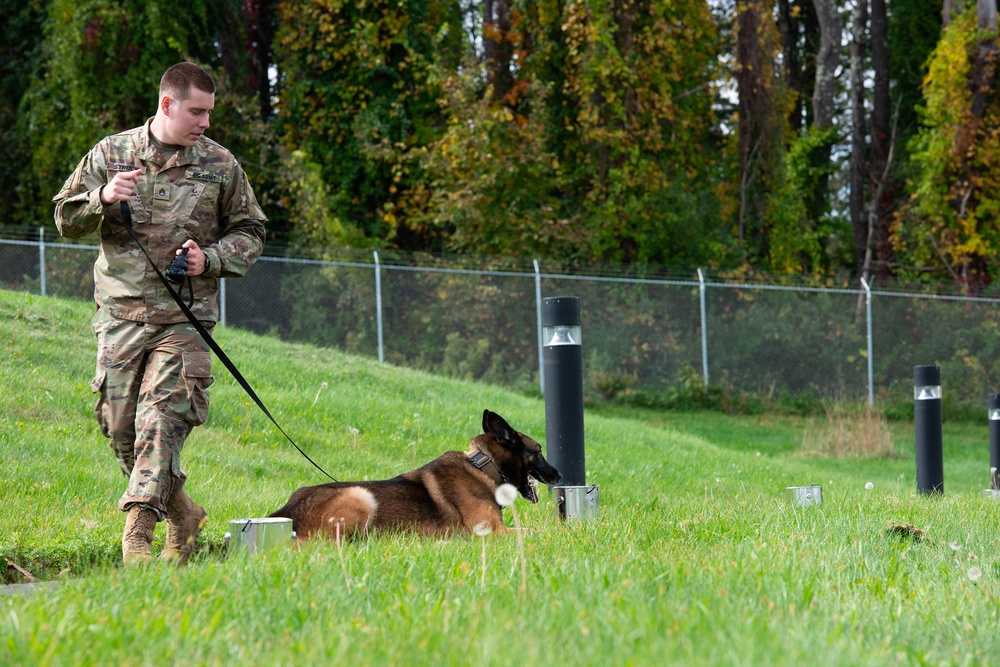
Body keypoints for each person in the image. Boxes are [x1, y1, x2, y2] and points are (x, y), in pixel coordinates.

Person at [53, 62, 267, 566]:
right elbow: (64, 216)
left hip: (184, 320)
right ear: (167, 105)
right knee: (120, 428)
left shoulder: (220, 164)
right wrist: (101, 198)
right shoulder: (111, 153)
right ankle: (184, 512)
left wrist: (209, 259)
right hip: (120, 317)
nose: (206, 122)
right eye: (197, 111)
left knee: (160, 419)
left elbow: (251, 230)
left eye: (210, 112)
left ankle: (138, 536)